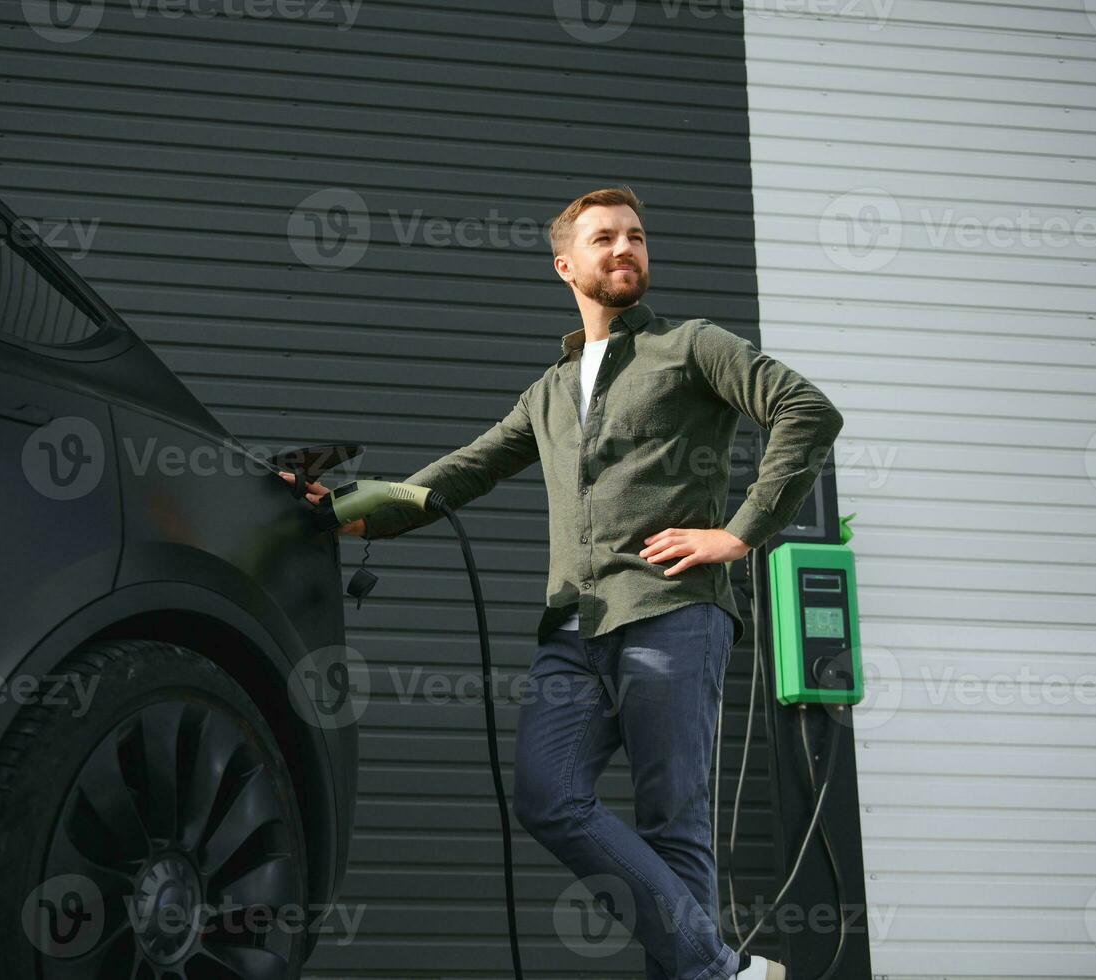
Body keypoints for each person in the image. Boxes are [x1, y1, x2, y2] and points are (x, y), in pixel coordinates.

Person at [283, 186, 841, 979]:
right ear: (564, 265)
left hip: (672, 611)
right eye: (605, 238)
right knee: (547, 797)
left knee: (671, 826)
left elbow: (805, 409)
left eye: (637, 237)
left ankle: (705, 971)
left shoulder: (690, 345)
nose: (624, 249)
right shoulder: (548, 391)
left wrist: (739, 532)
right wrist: (343, 513)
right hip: (573, 630)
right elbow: (461, 472)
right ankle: (719, 969)